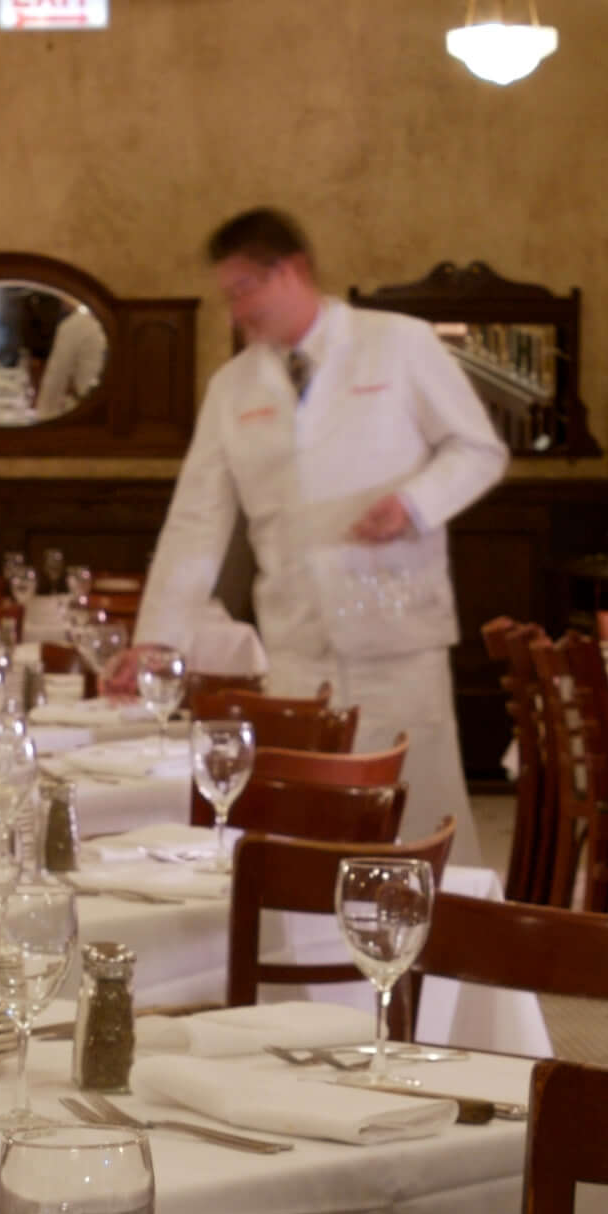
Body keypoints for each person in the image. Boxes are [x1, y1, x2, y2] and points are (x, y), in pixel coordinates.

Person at [113, 208, 504, 867]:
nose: (236, 312)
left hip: (397, 633)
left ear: (292, 272)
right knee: (308, 823)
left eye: (244, 290)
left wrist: (413, 504)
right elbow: (195, 521)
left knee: (417, 814)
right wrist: (155, 640)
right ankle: (313, 958)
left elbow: (479, 450)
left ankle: (438, 956)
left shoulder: (398, 344)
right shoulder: (233, 388)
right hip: (297, 642)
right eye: (227, 295)